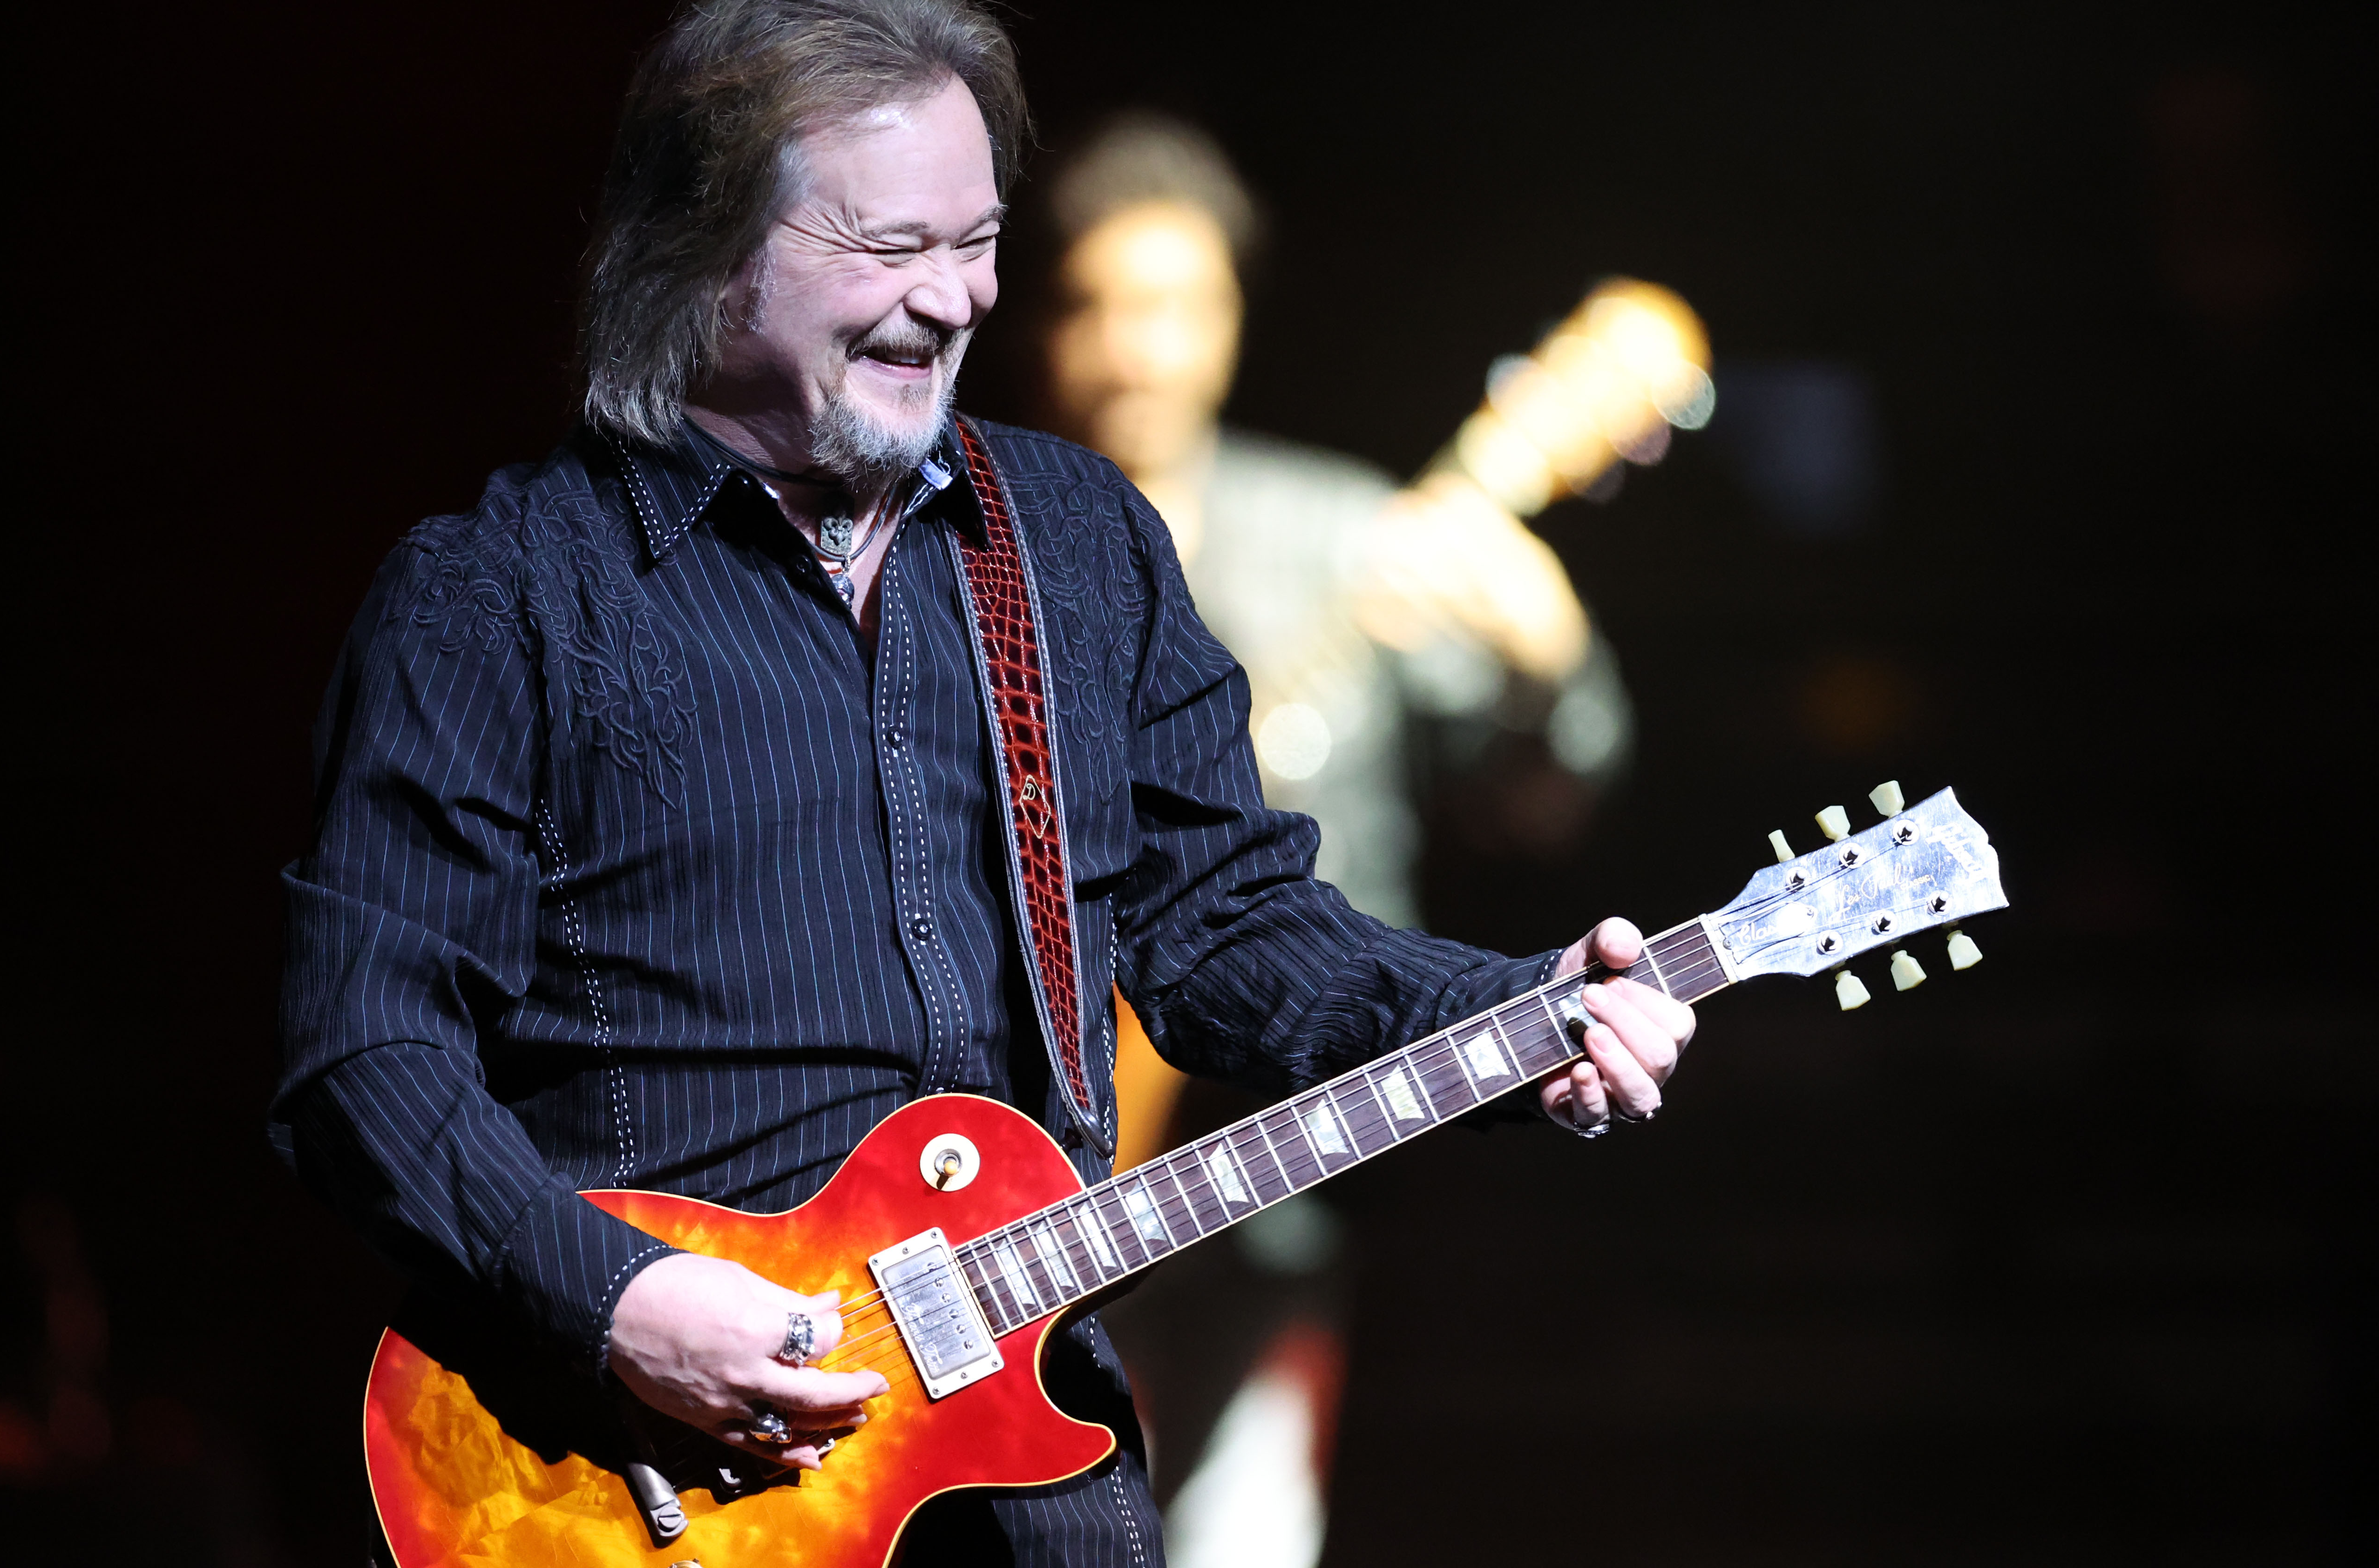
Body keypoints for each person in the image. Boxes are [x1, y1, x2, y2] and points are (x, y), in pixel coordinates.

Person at [271, 3, 1694, 1564]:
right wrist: (615, 1305)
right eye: (891, 245)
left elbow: (1228, 926)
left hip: (1026, 1477)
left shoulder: (1076, 547)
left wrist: (1511, 1010)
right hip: (635, 1489)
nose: (953, 301)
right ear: (706, 247)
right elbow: (365, 1057)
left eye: (981, 241)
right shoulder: (500, 598)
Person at [1030, 117, 1637, 1565]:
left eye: (1176, 306)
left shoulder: (1344, 538)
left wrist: (1547, 655)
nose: (1138, 351)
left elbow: (1536, 804)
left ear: (1234, 320)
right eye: (1100, 305)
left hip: (1277, 1193)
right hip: (1012, 1197)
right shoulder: (975, 538)